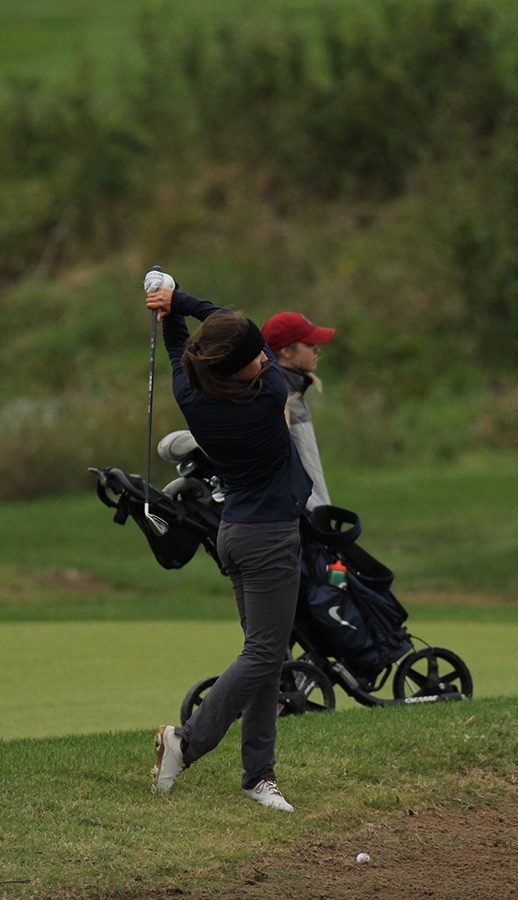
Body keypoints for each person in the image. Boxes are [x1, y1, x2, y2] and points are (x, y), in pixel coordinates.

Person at [145, 274, 312, 813]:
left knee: (264, 653)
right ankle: (186, 743)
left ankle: (258, 775)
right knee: (266, 652)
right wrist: (180, 298)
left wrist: (166, 307)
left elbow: (186, 343)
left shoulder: (191, 392)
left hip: (237, 532)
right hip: (267, 537)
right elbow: (236, 324)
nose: (265, 360)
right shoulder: (270, 397)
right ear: (235, 370)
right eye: (255, 359)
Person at [261, 311, 335, 510]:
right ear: (286, 351)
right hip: (301, 520)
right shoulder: (281, 399)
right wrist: (319, 514)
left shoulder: (292, 391)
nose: (317, 350)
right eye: (310, 345)